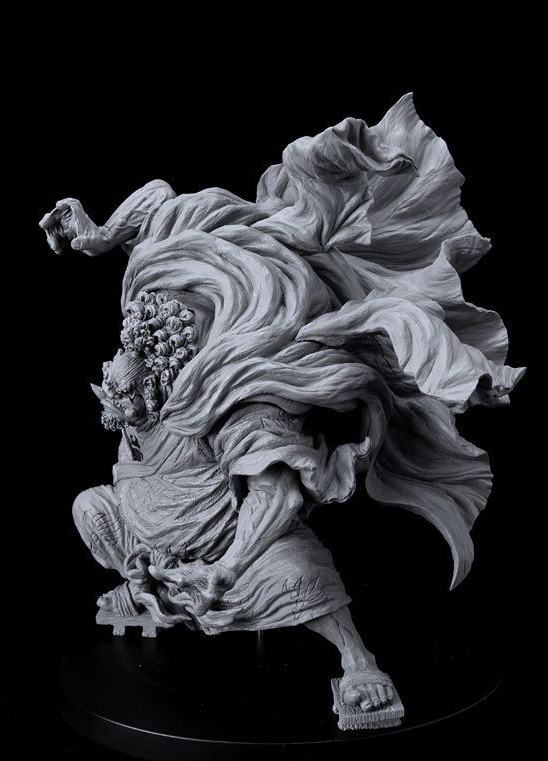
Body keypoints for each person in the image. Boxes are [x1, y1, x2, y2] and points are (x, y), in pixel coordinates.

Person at [41, 93, 524, 716]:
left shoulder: (233, 397)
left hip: (228, 551)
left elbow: (277, 497)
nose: (120, 407)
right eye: (115, 392)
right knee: (90, 509)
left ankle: (357, 660)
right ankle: (146, 590)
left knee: (296, 571)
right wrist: (101, 233)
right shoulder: (142, 361)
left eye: (128, 399)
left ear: (164, 375)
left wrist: (224, 567)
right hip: (148, 537)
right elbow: (160, 207)